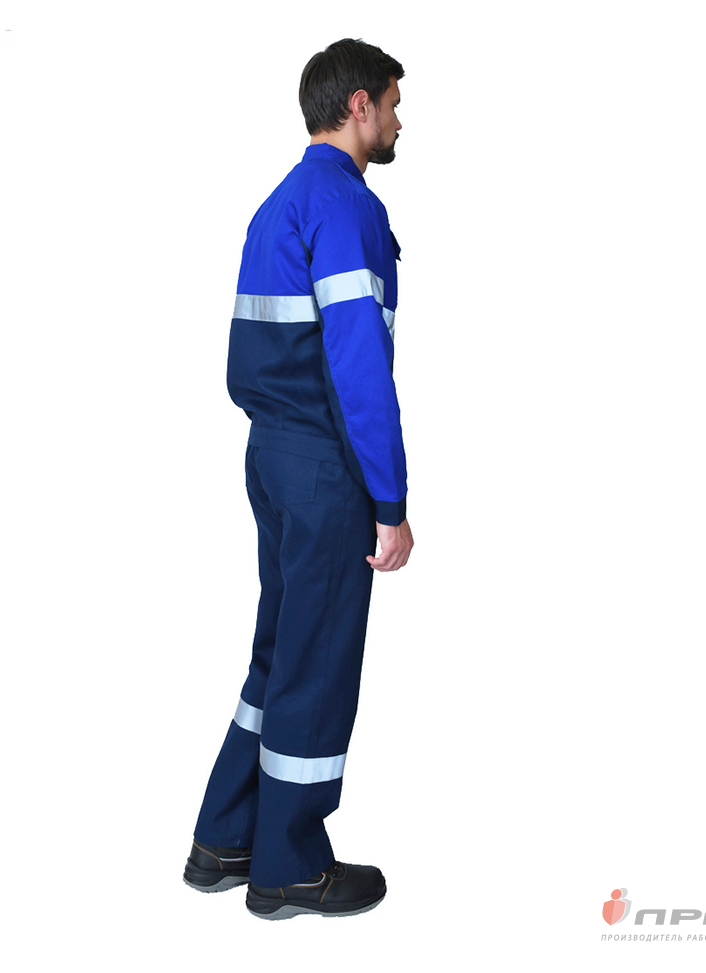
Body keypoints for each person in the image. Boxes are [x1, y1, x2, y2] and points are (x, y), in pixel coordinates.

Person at [184, 38, 413, 920]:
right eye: (392, 104)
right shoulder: (345, 206)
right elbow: (360, 367)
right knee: (315, 663)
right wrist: (389, 501)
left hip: (273, 455)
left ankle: (225, 838)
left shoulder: (277, 203)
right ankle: (289, 867)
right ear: (358, 105)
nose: (399, 121)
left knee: (280, 652)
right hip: (324, 464)